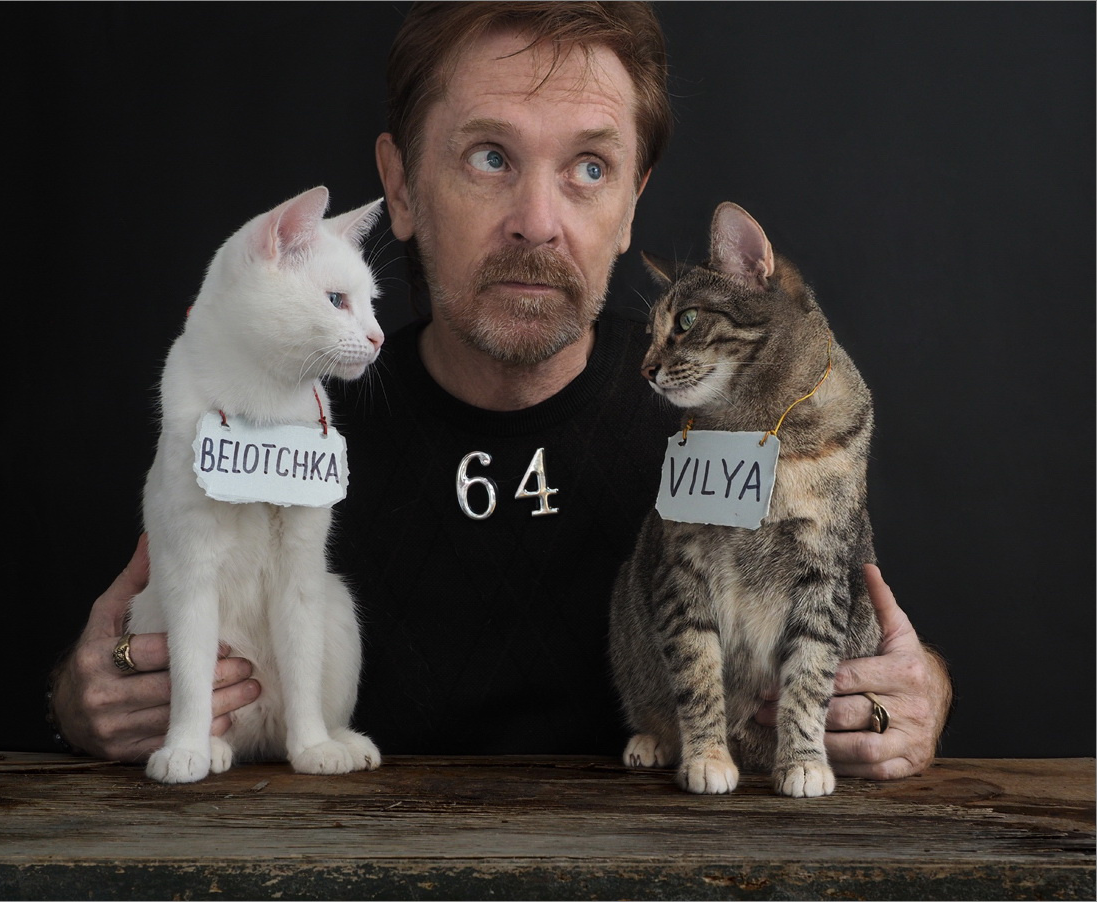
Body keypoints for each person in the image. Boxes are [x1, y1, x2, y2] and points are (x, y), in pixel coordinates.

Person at [49, 1, 952, 780]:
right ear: (401, 187)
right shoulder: (291, 418)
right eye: (490, 156)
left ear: (632, 204)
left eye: (589, 168)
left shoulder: (724, 423)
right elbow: (147, 637)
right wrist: (88, 700)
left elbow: (853, 628)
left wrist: (911, 698)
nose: (537, 223)